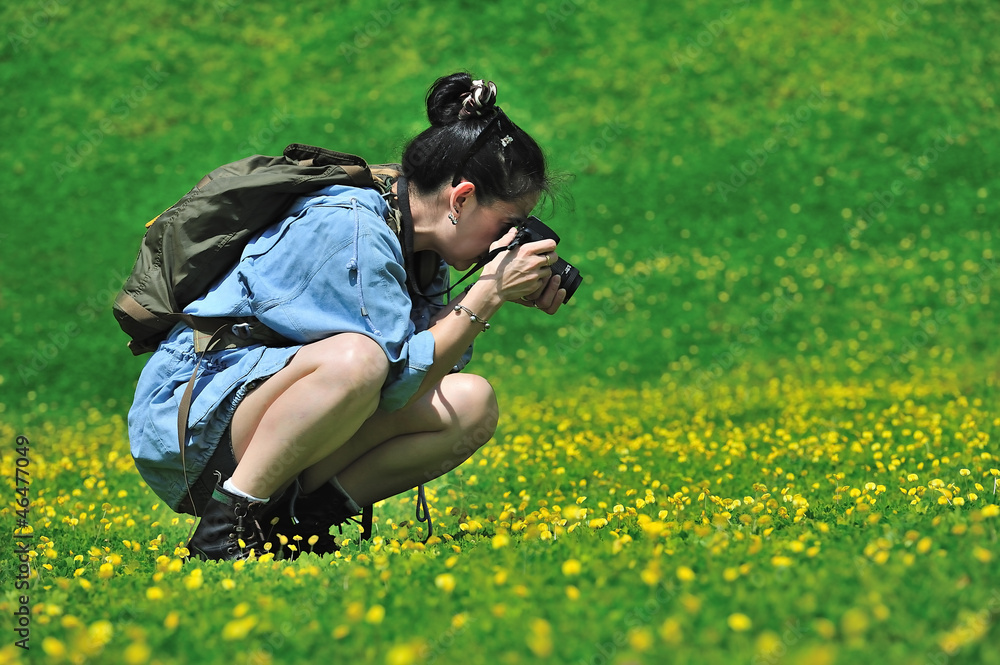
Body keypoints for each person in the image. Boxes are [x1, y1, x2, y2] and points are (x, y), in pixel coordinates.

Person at [127, 72, 567, 561]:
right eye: (508, 224)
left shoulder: (423, 245)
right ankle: (223, 530)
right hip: (195, 423)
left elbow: (423, 372)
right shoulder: (353, 225)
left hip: (270, 414)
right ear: (461, 199)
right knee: (358, 361)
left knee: (471, 401)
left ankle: (300, 525)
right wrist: (486, 293)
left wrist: (494, 293)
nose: (509, 240)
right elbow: (394, 379)